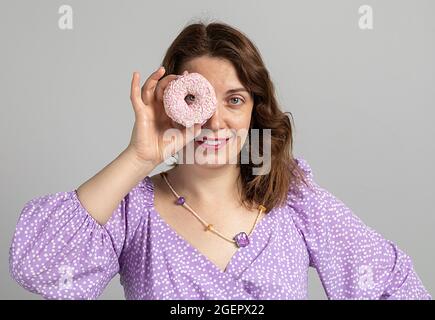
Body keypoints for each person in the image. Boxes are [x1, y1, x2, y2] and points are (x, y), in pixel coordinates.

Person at [9, 21, 431, 300]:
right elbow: (36, 266)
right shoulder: (131, 210)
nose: (215, 119)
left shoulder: (292, 199)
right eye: (199, 98)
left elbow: (392, 283)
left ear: (254, 110)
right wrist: (140, 156)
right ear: (171, 102)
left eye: (234, 99)